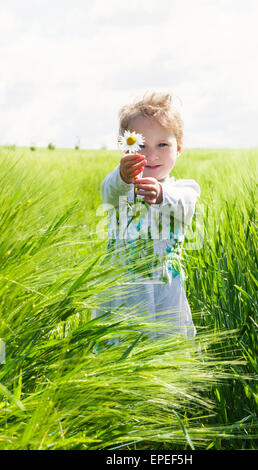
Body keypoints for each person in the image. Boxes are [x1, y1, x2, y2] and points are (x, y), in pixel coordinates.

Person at [92, 92, 200, 343]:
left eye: (162, 145)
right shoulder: (121, 187)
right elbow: (108, 193)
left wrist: (162, 194)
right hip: (122, 286)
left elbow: (186, 204)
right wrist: (122, 176)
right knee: (119, 343)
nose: (151, 154)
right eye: (140, 144)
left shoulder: (183, 189)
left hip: (165, 286)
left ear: (179, 149)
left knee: (167, 342)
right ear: (126, 147)